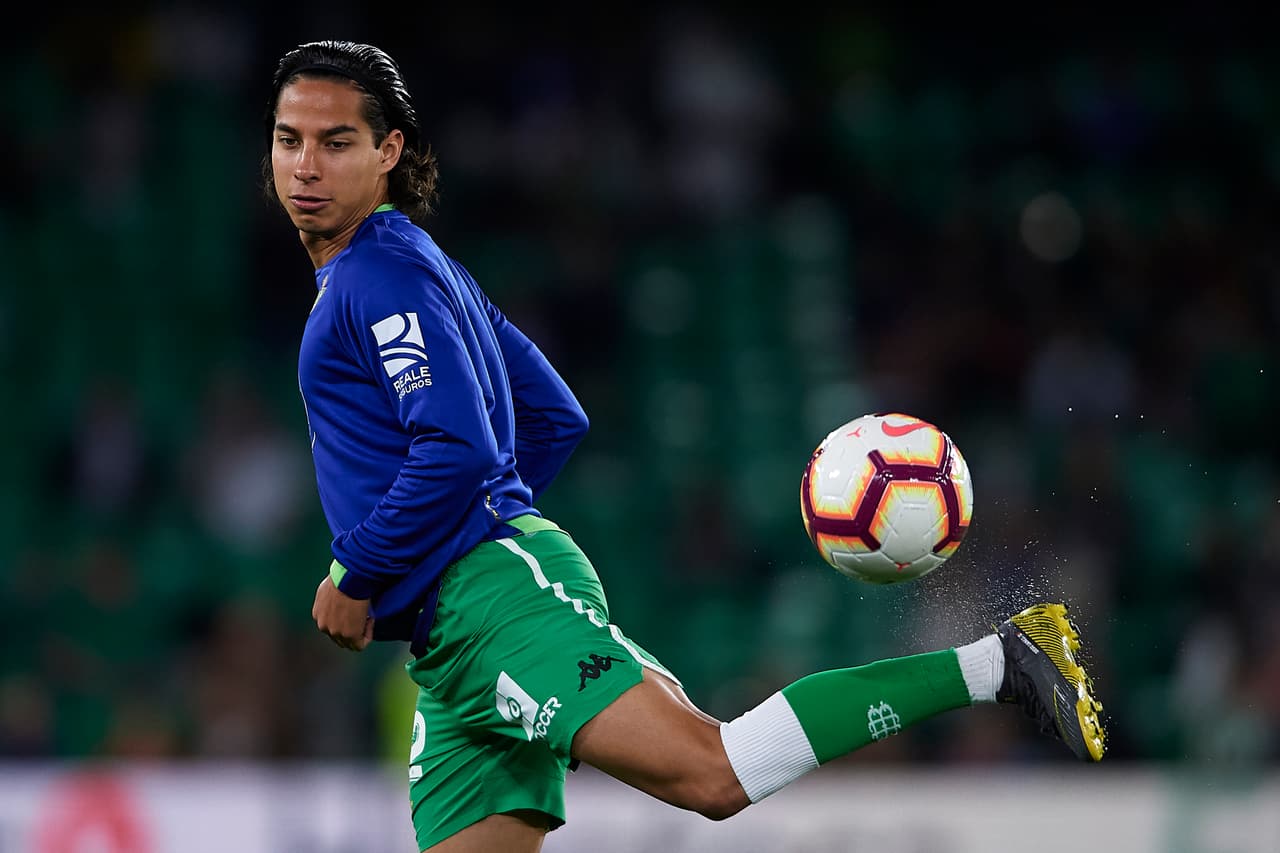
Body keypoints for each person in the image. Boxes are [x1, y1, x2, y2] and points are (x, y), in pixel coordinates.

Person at [264, 39, 1107, 852]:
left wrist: (360, 571)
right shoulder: (414, 264)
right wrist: (474, 528)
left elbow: (456, 446)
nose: (305, 165)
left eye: (336, 142)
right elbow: (554, 415)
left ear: (388, 152)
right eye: (288, 139)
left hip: (489, 603)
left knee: (714, 770)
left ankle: (1002, 660)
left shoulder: (376, 274)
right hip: (457, 633)